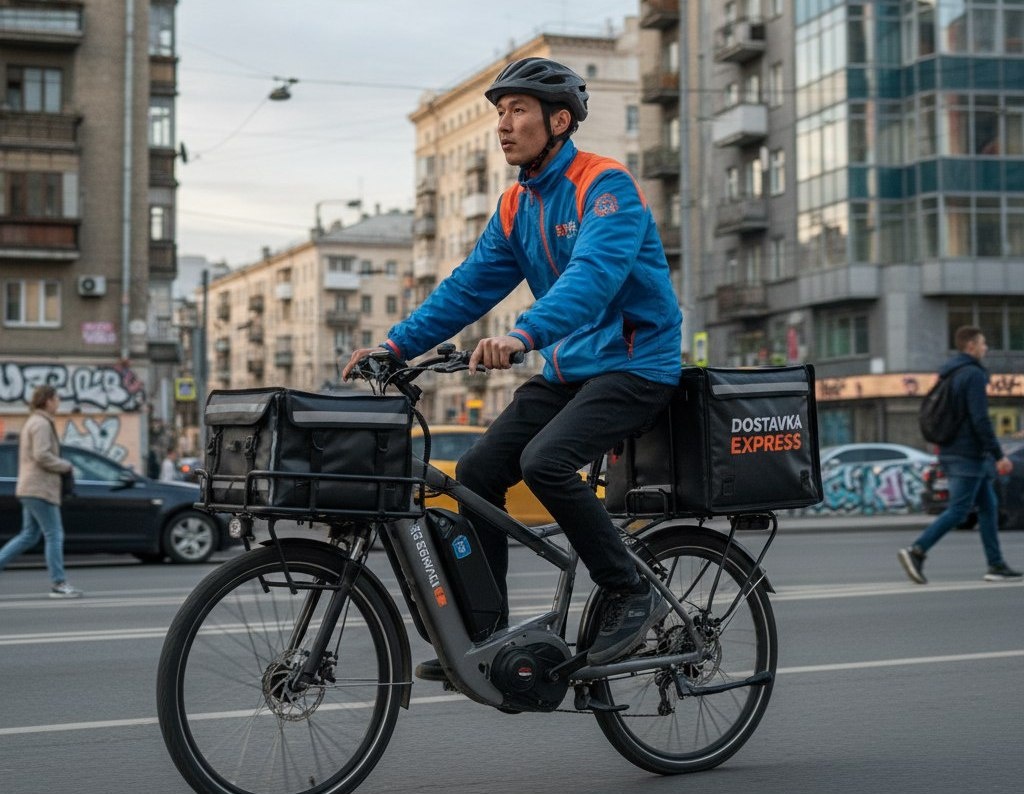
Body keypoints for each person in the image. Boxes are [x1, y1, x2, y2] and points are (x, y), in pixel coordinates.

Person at [344, 57, 682, 677]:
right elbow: (467, 288)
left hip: (636, 364)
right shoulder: (513, 206)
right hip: (569, 369)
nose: (503, 125)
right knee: (475, 472)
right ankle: (487, 634)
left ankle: (629, 590)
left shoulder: (606, 186)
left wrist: (524, 334)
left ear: (559, 120)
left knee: (544, 463)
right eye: (499, 113)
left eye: (517, 110)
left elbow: (593, 279)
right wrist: (395, 347)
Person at [899, 326, 1021, 584]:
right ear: (971, 346)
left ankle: (996, 564)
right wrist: (999, 454)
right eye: (983, 343)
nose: (986, 348)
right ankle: (917, 550)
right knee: (959, 510)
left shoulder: (949, 374)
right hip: (968, 454)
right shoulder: (973, 374)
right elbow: (980, 418)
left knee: (989, 507)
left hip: (953, 449)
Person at [0, 385, 82, 598]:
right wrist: (66, 465)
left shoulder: (34, 421)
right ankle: (59, 583)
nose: (58, 403)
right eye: (56, 399)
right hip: (40, 488)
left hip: (31, 487)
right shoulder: (41, 423)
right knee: (54, 534)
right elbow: (42, 455)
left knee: (28, 535)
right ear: (47, 400)